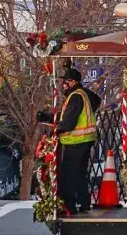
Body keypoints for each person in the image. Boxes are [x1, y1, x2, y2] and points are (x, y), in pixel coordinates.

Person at [38, 68, 101, 215]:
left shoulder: (75, 96)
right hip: (86, 140)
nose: (63, 85)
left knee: (68, 174)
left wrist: (57, 129)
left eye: (65, 82)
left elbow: (68, 121)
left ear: (73, 82)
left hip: (76, 141)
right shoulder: (83, 94)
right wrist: (49, 118)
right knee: (79, 173)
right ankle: (84, 205)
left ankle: (69, 207)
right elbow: (68, 115)